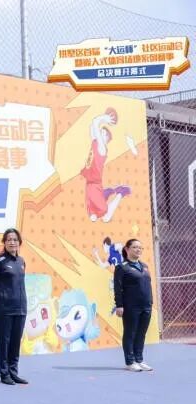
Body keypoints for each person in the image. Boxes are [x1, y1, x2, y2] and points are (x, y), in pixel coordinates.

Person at [0, 228, 28, 386]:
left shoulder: (21, 261)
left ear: (19, 242)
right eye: (9, 239)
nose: (12, 242)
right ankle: (4, 373)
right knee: (4, 342)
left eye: (15, 239)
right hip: (4, 309)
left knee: (15, 342)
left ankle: (13, 372)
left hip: (20, 308)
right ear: (4, 242)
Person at [80, 109, 131, 223]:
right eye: (100, 131)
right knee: (93, 216)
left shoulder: (102, 149)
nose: (99, 132)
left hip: (95, 184)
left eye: (103, 133)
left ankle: (121, 192)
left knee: (105, 215)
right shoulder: (95, 142)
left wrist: (104, 118)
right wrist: (103, 119)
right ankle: (104, 195)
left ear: (106, 139)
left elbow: (95, 123)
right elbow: (92, 126)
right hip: (90, 184)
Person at [114, 239, 154, 372]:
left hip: (146, 305)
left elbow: (147, 285)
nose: (138, 250)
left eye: (140, 248)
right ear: (127, 249)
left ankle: (139, 359)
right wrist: (119, 305)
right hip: (131, 306)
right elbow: (118, 288)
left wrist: (150, 301)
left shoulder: (145, 266)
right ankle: (130, 362)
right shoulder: (122, 267)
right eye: (135, 247)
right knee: (130, 333)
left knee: (141, 334)